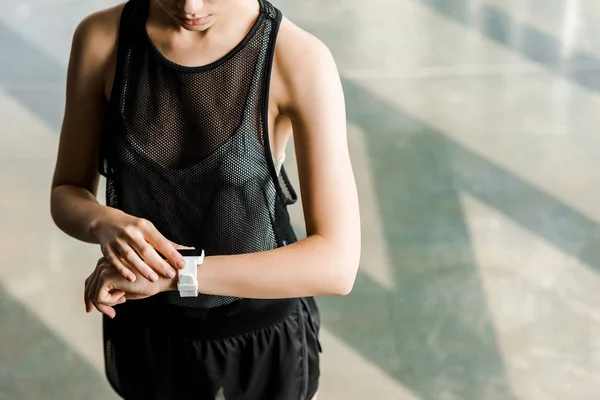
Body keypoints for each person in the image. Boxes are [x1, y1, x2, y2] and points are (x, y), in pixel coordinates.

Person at [50, 0, 361, 398]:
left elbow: (337, 264)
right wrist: (101, 220)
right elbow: (66, 191)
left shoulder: (296, 57)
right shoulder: (103, 38)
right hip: (147, 331)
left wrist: (174, 277)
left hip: (257, 334)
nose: (190, 6)